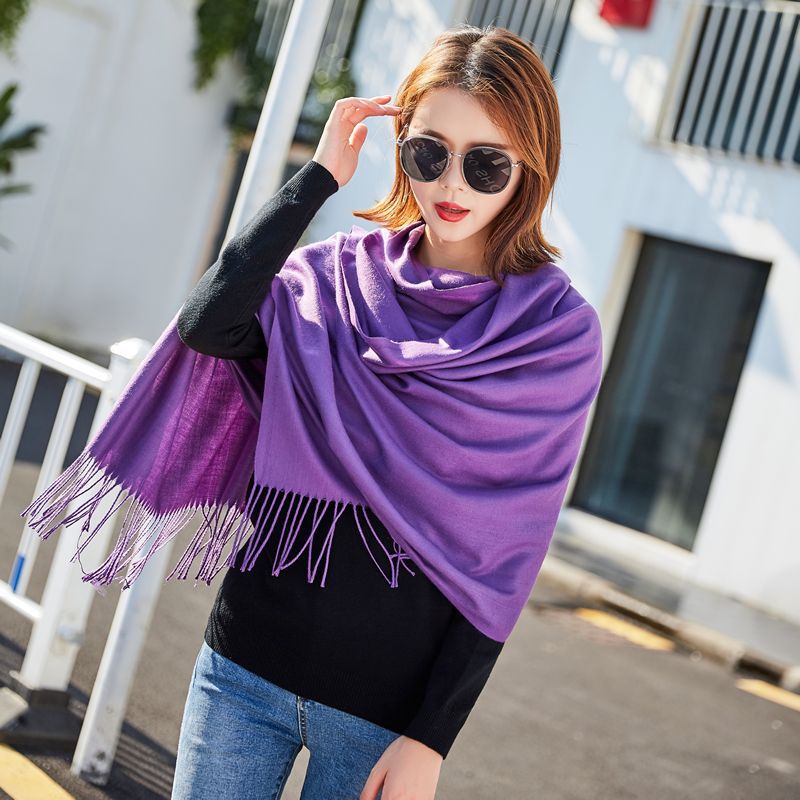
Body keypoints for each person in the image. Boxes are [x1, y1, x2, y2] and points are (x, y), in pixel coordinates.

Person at [16, 21, 595, 800]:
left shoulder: (553, 338)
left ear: (530, 166)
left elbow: (509, 554)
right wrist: (318, 177)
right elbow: (208, 325)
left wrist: (432, 738)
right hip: (241, 673)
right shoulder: (331, 280)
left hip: (381, 719)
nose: (451, 185)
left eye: (485, 163)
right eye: (429, 154)